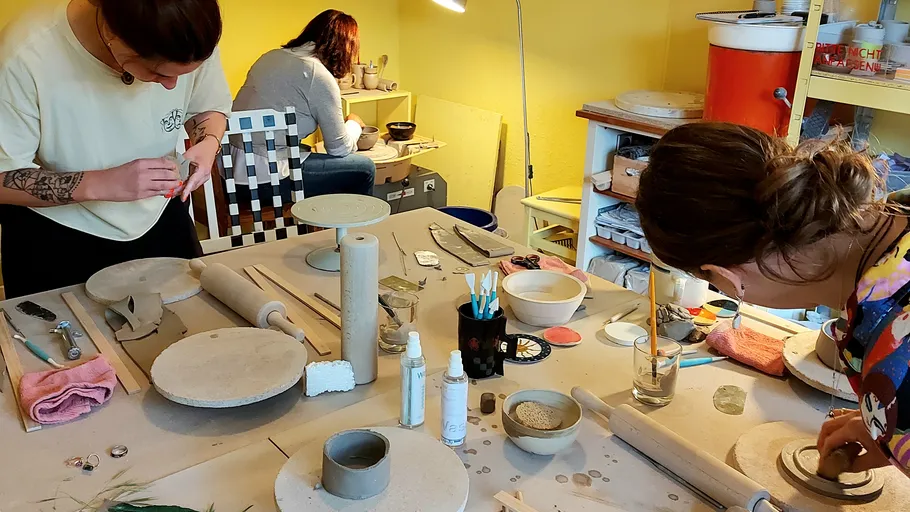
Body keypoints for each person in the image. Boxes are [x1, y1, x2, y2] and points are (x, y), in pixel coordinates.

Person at [635, 122, 910, 477]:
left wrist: (896, 419)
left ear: (726, 276)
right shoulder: (898, 213)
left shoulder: (896, 359)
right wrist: (890, 430)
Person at [0, 0, 232, 298]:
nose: (172, 86)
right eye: (157, 72)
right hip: (59, 234)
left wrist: (207, 143)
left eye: (184, 74)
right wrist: (102, 183)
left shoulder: (188, 35)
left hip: (161, 216)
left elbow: (207, 106)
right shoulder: (24, 55)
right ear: (112, 34)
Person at [230, 9, 376, 203]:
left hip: (230, 172)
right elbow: (339, 149)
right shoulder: (317, 73)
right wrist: (354, 124)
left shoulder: (271, 56)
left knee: (309, 152)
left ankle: (327, 226)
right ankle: (353, 231)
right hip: (265, 180)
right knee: (364, 169)